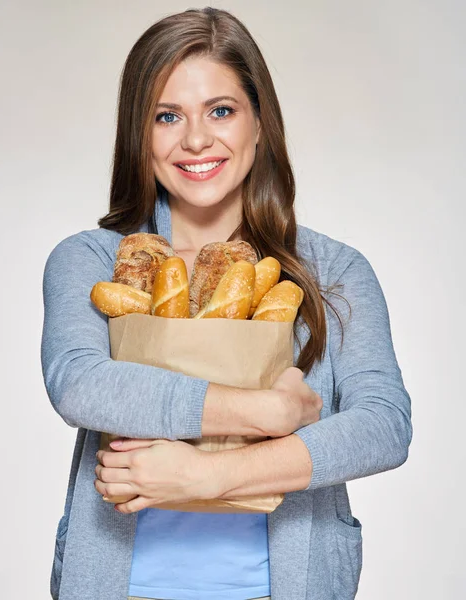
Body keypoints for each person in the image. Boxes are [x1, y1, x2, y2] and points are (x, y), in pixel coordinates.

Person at [41, 7, 413, 600]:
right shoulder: (93, 259)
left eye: (221, 110)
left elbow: (383, 426)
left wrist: (208, 475)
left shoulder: (335, 272)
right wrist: (267, 413)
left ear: (260, 123)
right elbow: (80, 384)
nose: (195, 139)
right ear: (140, 131)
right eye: (167, 116)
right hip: (120, 584)